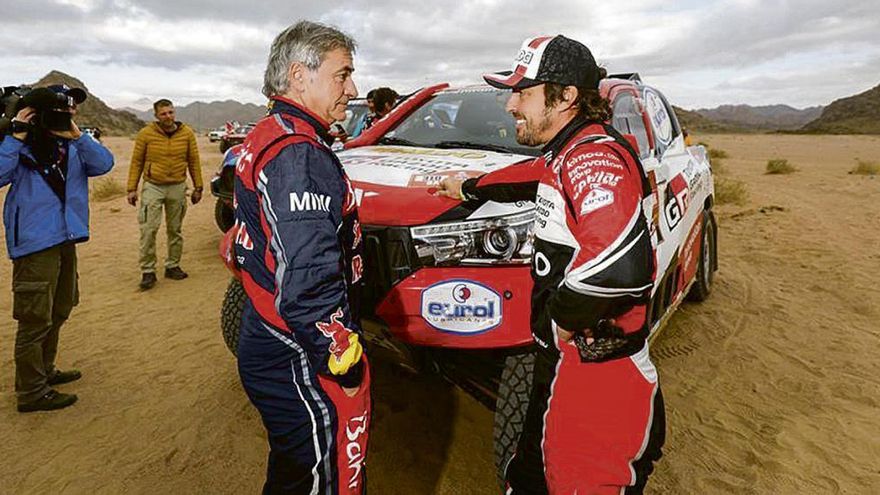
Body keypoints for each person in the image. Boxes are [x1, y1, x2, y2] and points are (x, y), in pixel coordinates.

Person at [436, 35, 665, 493]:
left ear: (565, 97)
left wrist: (562, 321)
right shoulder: (568, 151)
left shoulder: (594, 156)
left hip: (592, 380)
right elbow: (531, 174)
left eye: (523, 92)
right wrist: (470, 186)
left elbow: (618, 269)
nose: (510, 106)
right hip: (567, 368)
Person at [233, 20, 370, 494]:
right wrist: (343, 361)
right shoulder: (298, 153)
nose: (352, 89)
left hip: (268, 329)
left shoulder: (271, 132)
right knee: (326, 471)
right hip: (295, 346)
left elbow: (243, 239)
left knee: (297, 466)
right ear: (299, 75)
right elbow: (308, 282)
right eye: (342, 74)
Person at [0, 85, 114, 412]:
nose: (69, 112)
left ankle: (46, 371)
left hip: (66, 236)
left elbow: (104, 163)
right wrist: (17, 133)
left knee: (60, 308)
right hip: (35, 242)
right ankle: (32, 392)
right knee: (34, 318)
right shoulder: (19, 144)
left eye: (73, 108)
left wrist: (76, 134)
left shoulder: (74, 143)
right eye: (62, 108)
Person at [126, 99, 203, 290]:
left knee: (175, 229)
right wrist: (131, 188)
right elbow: (136, 161)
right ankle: (148, 271)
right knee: (149, 229)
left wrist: (198, 187)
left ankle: (173, 266)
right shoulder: (146, 134)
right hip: (153, 186)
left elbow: (193, 161)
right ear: (156, 116)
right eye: (163, 114)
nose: (168, 117)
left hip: (177, 186)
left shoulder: (186, 133)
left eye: (170, 112)